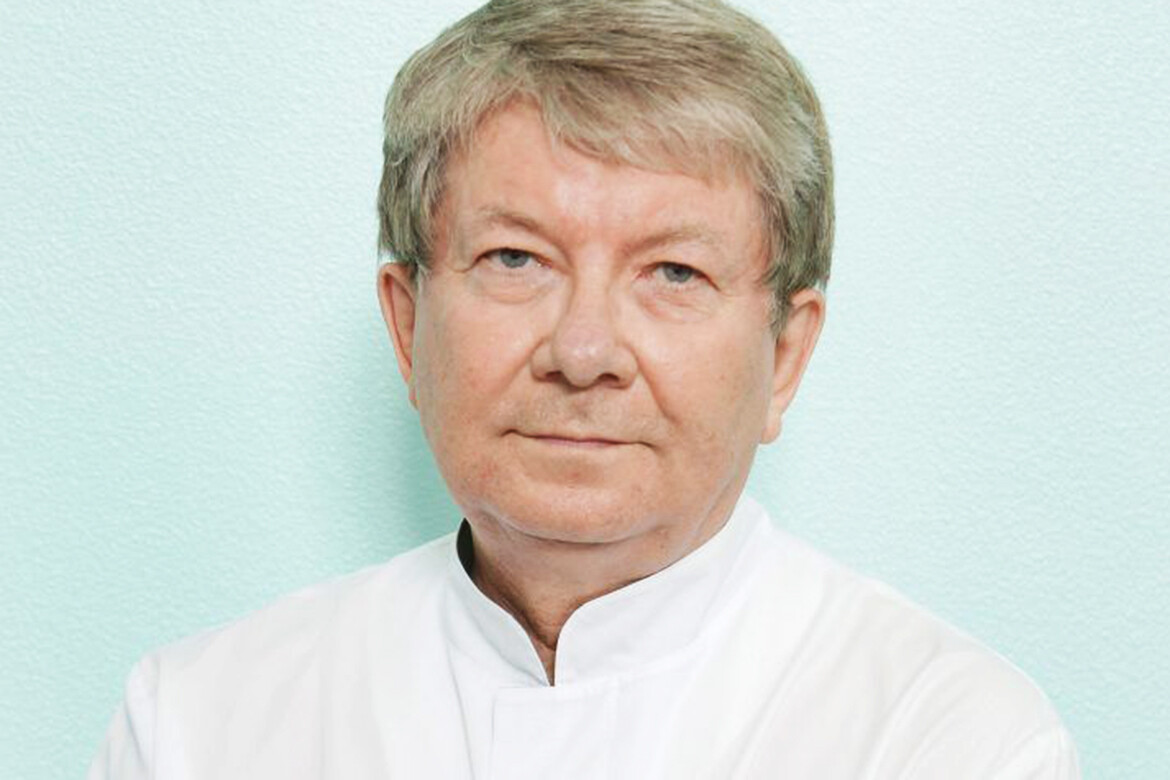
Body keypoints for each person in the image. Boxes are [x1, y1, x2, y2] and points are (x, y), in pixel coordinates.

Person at [90, 0, 1079, 777]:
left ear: (784, 355)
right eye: (516, 259)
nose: (584, 349)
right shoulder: (199, 725)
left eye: (674, 273)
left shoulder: (949, 740)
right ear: (407, 323)